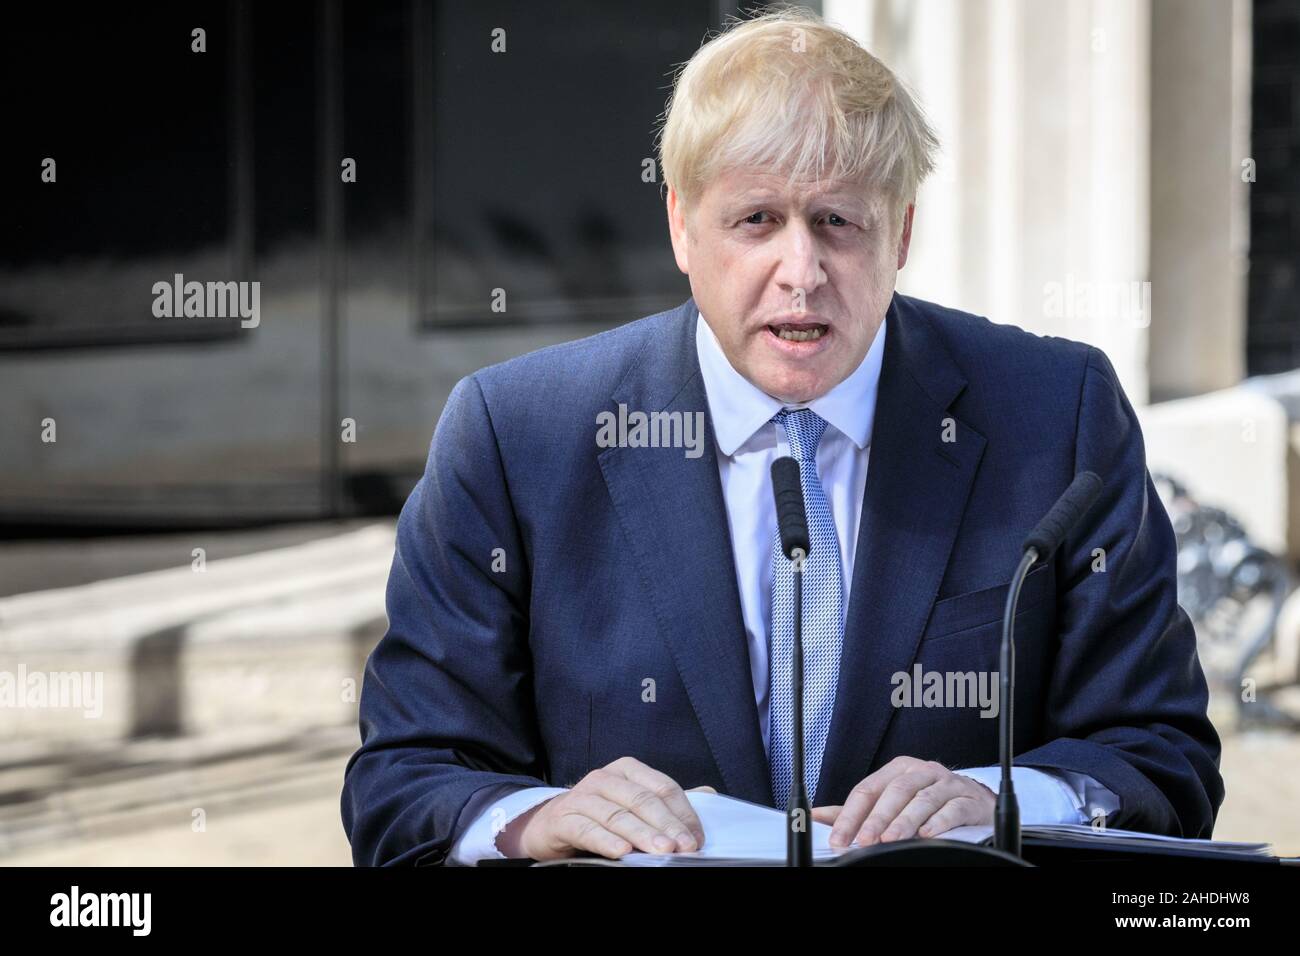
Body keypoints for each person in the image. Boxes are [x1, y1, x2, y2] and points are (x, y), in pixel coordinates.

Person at [341, 6, 1223, 866]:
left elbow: (1161, 754)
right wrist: (537, 820)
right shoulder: (517, 435)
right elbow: (404, 781)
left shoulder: (1057, 413)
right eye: (756, 220)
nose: (800, 273)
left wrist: (1005, 798)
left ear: (903, 231)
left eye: (838, 221)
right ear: (682, 225)